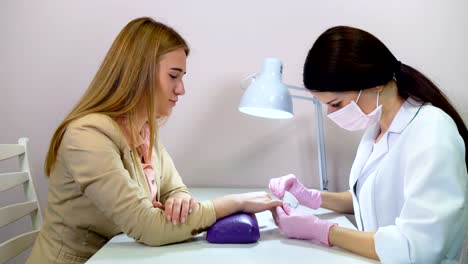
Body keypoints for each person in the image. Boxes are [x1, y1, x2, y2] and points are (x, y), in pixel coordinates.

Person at [27, 17, 282, 264]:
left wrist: (178, 200)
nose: (181, 89)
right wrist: (235, 203)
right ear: (139, 73)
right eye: (174, 76)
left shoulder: (144, 129)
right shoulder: (87, 137)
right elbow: (150, 228)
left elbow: (173, 188)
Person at [269, 26, 468, 263]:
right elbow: (369, 199)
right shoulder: (377, 127)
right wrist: (312, 197)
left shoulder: (432, 133)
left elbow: (416, 248)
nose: (331, 114)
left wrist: (323, 231)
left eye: (336, 103)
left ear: (375, 84)